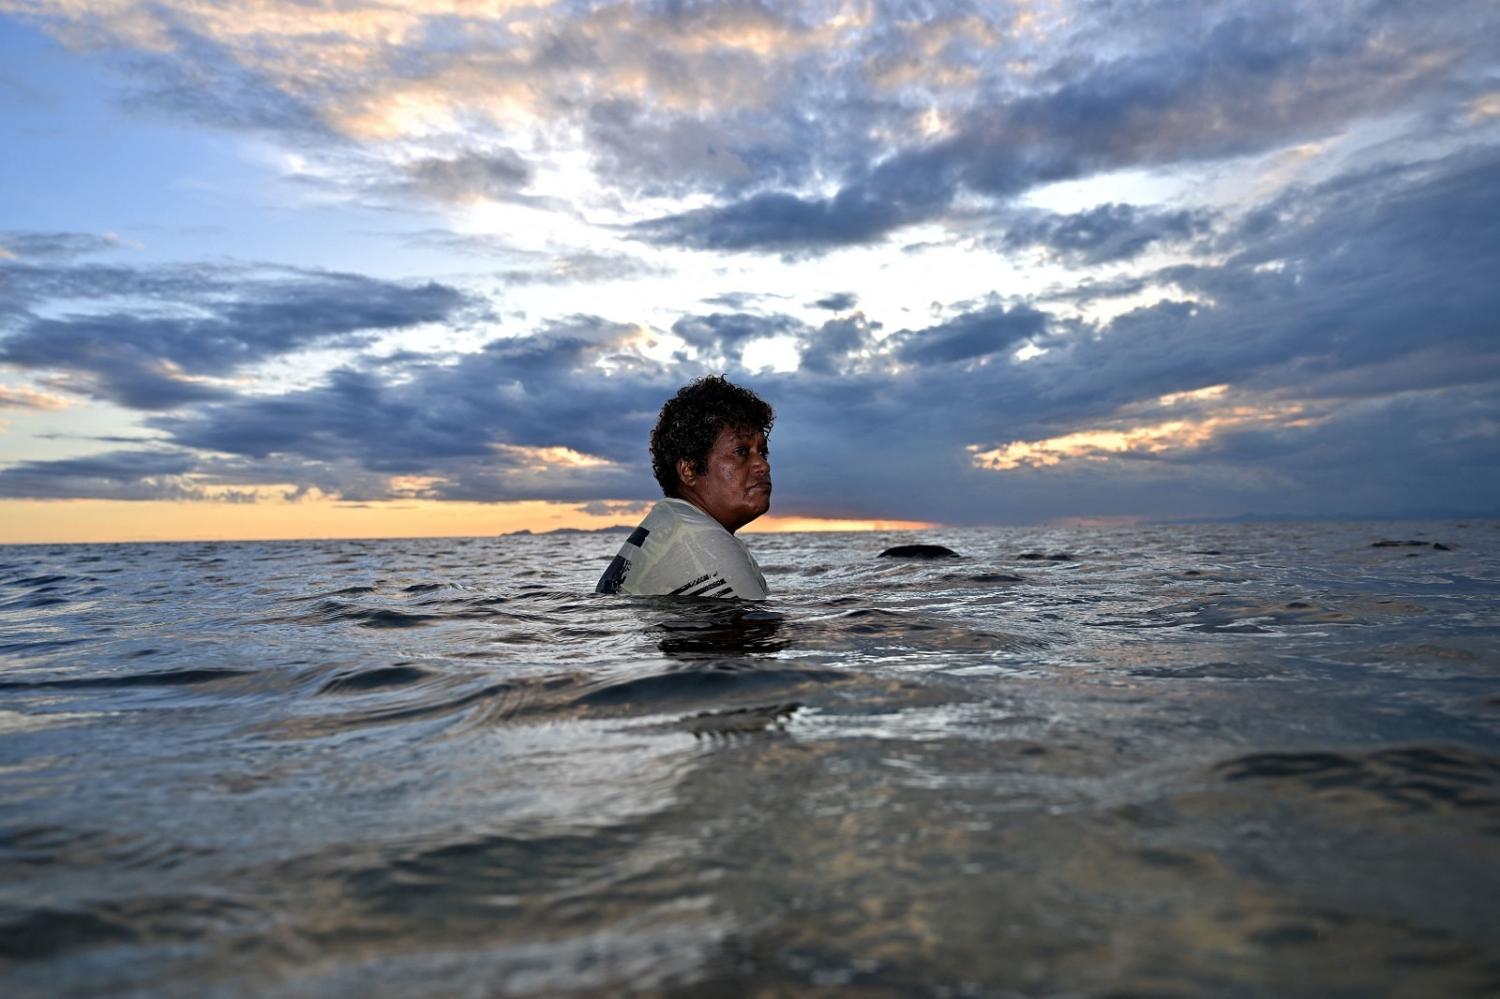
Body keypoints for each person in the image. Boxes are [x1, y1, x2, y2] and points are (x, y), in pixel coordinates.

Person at [596, 375, 773, 598]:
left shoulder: (674, 525)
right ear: (689, 471)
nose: (762, 465)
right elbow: (750, 630)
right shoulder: (704, 547)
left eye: (763, 452)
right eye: (741, 452)